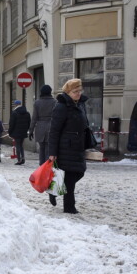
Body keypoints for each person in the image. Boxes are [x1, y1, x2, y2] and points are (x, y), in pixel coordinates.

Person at [48, 78, 90, 214]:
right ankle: (69, 207)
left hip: (78, 145)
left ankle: (54, 191)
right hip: (65, 147)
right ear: (68, 91)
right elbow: (54, 131)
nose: (78, 93)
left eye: (79, 90)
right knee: (71, 177)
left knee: (80, 172)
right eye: (75, 91)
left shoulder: (80, 104)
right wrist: (52, 152)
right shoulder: (61, 106)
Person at [29, 84, 56, 165]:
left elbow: (34, 118)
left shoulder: (37, 103)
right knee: (49, 150)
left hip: (40, 128)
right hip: (51, 127)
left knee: (41, 149)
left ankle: (41, 167)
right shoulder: (55, 102)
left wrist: (31, 130)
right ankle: (47, 168)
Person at [8, 99, 31, 165]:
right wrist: (26, 130)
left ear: (15, 105)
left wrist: (10, 132)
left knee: (17, 145)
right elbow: (29, 123)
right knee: (21, 145)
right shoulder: (27, 113)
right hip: (23, 132)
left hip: (16, 132)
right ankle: (23, 158)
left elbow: (11, 124)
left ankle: (19, 160)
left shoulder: (14, 113)